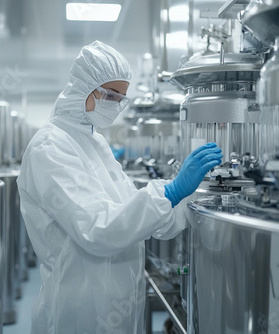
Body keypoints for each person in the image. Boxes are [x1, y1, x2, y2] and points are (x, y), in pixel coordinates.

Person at [17, 40, 222, 334]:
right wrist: (172, 191)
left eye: (120, 99)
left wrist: (188, 200)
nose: (115, 105)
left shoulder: (94, 142)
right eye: (111, 96)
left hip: (119, 300)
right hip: (79, 308)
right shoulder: (50, 147)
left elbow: (132, 210)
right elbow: (99, 229)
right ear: (86, 87)